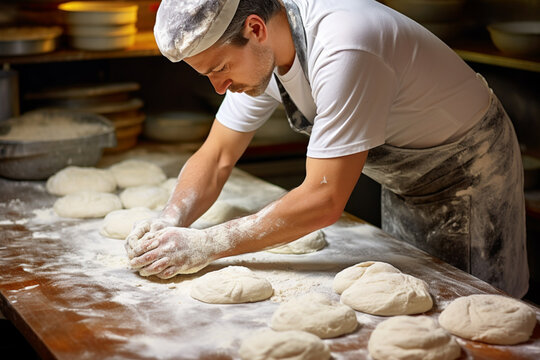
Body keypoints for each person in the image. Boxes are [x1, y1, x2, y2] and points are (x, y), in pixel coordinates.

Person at [125, 0, 529, 298]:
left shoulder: (343, 48)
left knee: (476, 310)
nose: (218, 87)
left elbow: (324, 198)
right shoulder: (266, 49)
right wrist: (171, 220)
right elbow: (216, 157)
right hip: (409, 174)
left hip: (467, 171)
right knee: (417, 302)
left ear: (255, 29)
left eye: (220, 69)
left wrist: (206, 245)